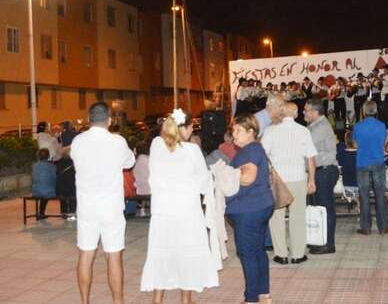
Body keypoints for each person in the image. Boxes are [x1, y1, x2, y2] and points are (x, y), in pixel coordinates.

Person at [141, 112, 219, 303]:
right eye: (191, 128)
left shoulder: (156, 145)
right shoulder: (192, 150)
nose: (192, 132)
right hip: (187, 212)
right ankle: (186, 299)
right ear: (183, 129)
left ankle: (157, 299)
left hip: (163, 213)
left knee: (161, 254)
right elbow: (203, 182)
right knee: (187, 255)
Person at [70, 102, 136, 304]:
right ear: (109, 120)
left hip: (87, 207)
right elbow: (130, 163)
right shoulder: (117, 142)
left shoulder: (78, 141)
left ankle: (85, 301)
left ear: (89, 119)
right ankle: (118, 301)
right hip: (111, 208)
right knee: (114, 256)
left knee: (85, 255)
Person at [225, 114, 274, 304]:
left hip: (248, 209)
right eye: (233, 130)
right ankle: (264, 294)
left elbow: (248, 178)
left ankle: (251, 298)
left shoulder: (250, 150)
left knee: (248, 254)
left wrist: (226, 174)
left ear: (251, 132)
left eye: (238, 131)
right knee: (258, 251)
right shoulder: (255, 148)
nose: (234, 134)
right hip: (260, 205)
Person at [261, 102, 317, 264]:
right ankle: (298, 254)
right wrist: (312, 180)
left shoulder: (270, 131)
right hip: (298, 178)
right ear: (296, 114)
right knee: (298, 216)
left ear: (281, 113)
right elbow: (311, 158)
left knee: (276, 217)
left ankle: (281, 254)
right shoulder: (303, 131)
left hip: (278, 179)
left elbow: (262, 155)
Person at [303, 98, 339, 254]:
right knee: (317, 209)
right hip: (318, 171)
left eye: (306, 110)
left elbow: (304, 145)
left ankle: (328, 244)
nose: (304, 113)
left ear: (315, 112)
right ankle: (318, 240)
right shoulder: (313, 126)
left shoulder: (322, 127)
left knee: (325, 209)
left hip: (325, 171)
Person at [352, 101, 388, 235]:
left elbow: (355, 145)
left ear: (363, 111)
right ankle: (383, 227)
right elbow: (383, 142)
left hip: (362, 163)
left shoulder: (358, 126)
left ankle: (366, 228)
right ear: (375, 111)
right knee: (380, 195)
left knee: (364, 196)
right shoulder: (382, 125)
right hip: (378, 162)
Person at [56, 121, 78, 220]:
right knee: (73, 190)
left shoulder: (59, 163)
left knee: (64, 190)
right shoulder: (74, 164)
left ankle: (64, 212)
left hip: (60, 190)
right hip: (71, 189)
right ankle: (72, 212)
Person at [32, 148, 57, 219]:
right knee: (47, 191)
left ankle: (41, 213)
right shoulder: (51, 166)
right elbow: (54, 178)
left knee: (43, 190)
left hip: (35, 191)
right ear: (48, 156)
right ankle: (65, 212)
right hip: (48, 192)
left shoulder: (34, 166)